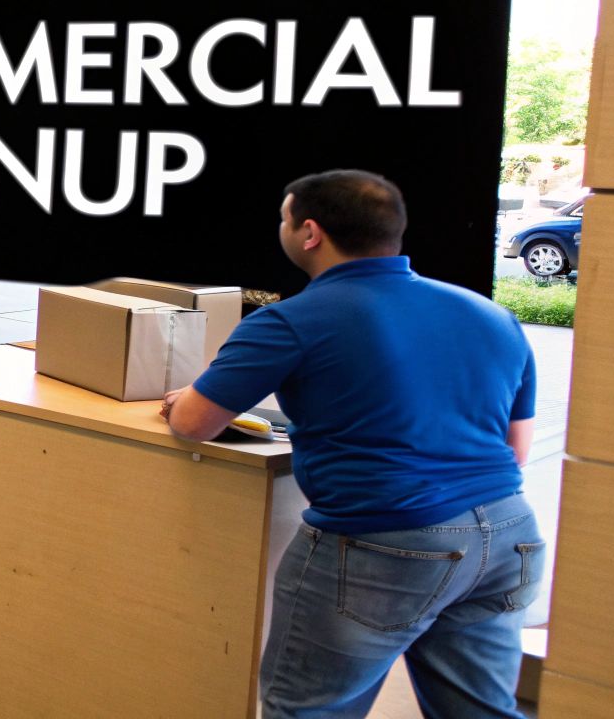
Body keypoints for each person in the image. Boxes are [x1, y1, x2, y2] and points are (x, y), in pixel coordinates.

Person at [162, 170, 541, 718]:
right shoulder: (490, 314)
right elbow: (516, 450)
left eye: (284, 218)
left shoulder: (291, 320)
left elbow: (194, 422)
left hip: (383, 543)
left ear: (309, 232)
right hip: (508, 537)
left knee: (308, 709)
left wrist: (183, 400)